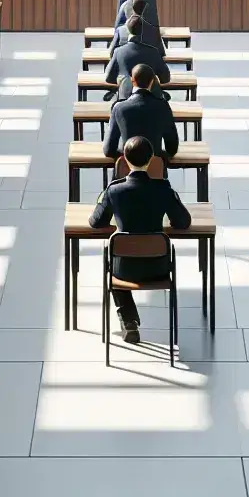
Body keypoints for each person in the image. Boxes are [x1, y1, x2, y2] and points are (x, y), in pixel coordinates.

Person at [88, 135, 192, 345]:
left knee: (112, 256)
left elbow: (95, 222)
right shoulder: (163, 189)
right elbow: (183, 222)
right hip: (158, 267)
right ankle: (129, 321)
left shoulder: (114, 191)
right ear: (152, 158)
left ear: (125, 160)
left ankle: (129, 322)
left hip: (123, 270)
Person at [101, 64, 179, 163]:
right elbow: (172, 149)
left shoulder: (119, 108)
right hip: (155, 169)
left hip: (127, 170)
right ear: (152, 81)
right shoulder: (163, 107)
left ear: (132, 81)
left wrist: (126, 154)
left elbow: (108, 150)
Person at [105, 15, 173, 100]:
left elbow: (108, 78)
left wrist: (123, 80)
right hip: (151, 101)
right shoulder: (153, 52)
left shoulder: (119, 52)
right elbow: (166, 79)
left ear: (128, 30)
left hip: (125, 99)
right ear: (143, 31)